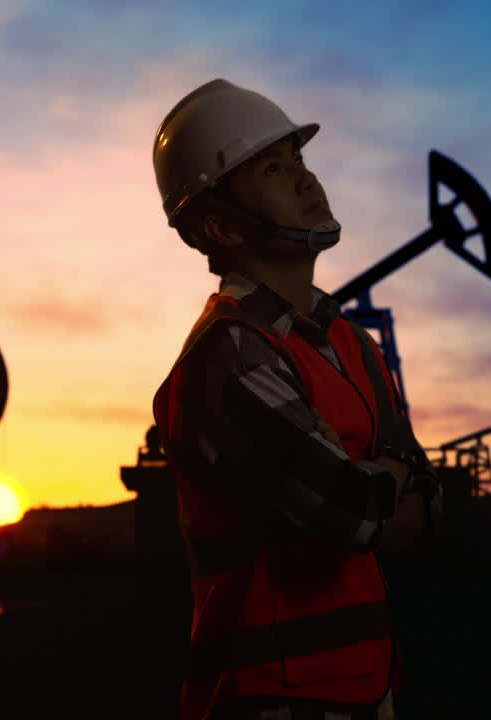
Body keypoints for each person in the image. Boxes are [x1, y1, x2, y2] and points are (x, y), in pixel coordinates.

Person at [151, 78, 442, 720]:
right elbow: (354, 515)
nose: (307, 182)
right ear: (221, 225)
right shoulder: (228, 355)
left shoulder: (352, 343)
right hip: (266, 699)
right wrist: (387, 480)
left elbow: (426, 511)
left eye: (301, 160)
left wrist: (379, 488)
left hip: (369, 687)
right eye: (275, 169)